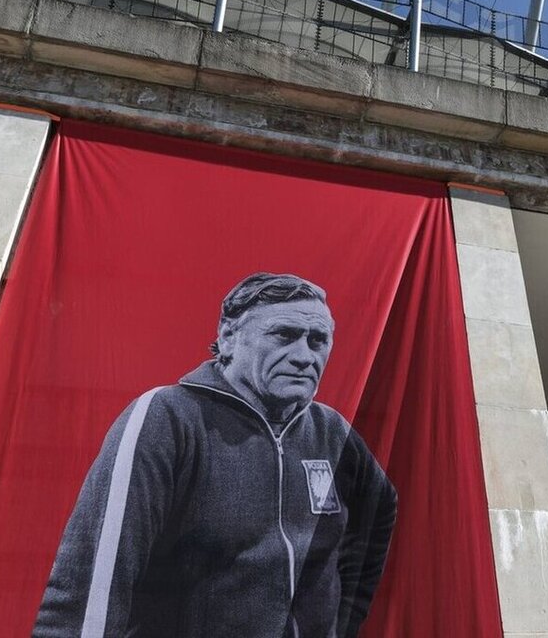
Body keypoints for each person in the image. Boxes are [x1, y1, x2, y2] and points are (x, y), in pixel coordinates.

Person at [34, 272, 397, 638]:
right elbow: (95, 574)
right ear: (228, 338)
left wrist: (340, 621)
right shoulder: (168, 416)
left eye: (318, 341)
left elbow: (380, 509)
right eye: (284, 335)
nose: (304, 356)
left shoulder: (330, 431)